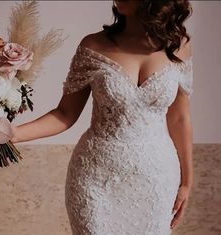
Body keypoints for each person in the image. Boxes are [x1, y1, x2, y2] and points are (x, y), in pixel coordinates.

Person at [11, 0, 194, 234]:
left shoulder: (179, 45)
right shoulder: (93, 45)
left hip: (157, 180)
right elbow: (65, 113)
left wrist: (187, 182)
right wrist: (12, 134)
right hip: (95, 179)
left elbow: (180, 118)